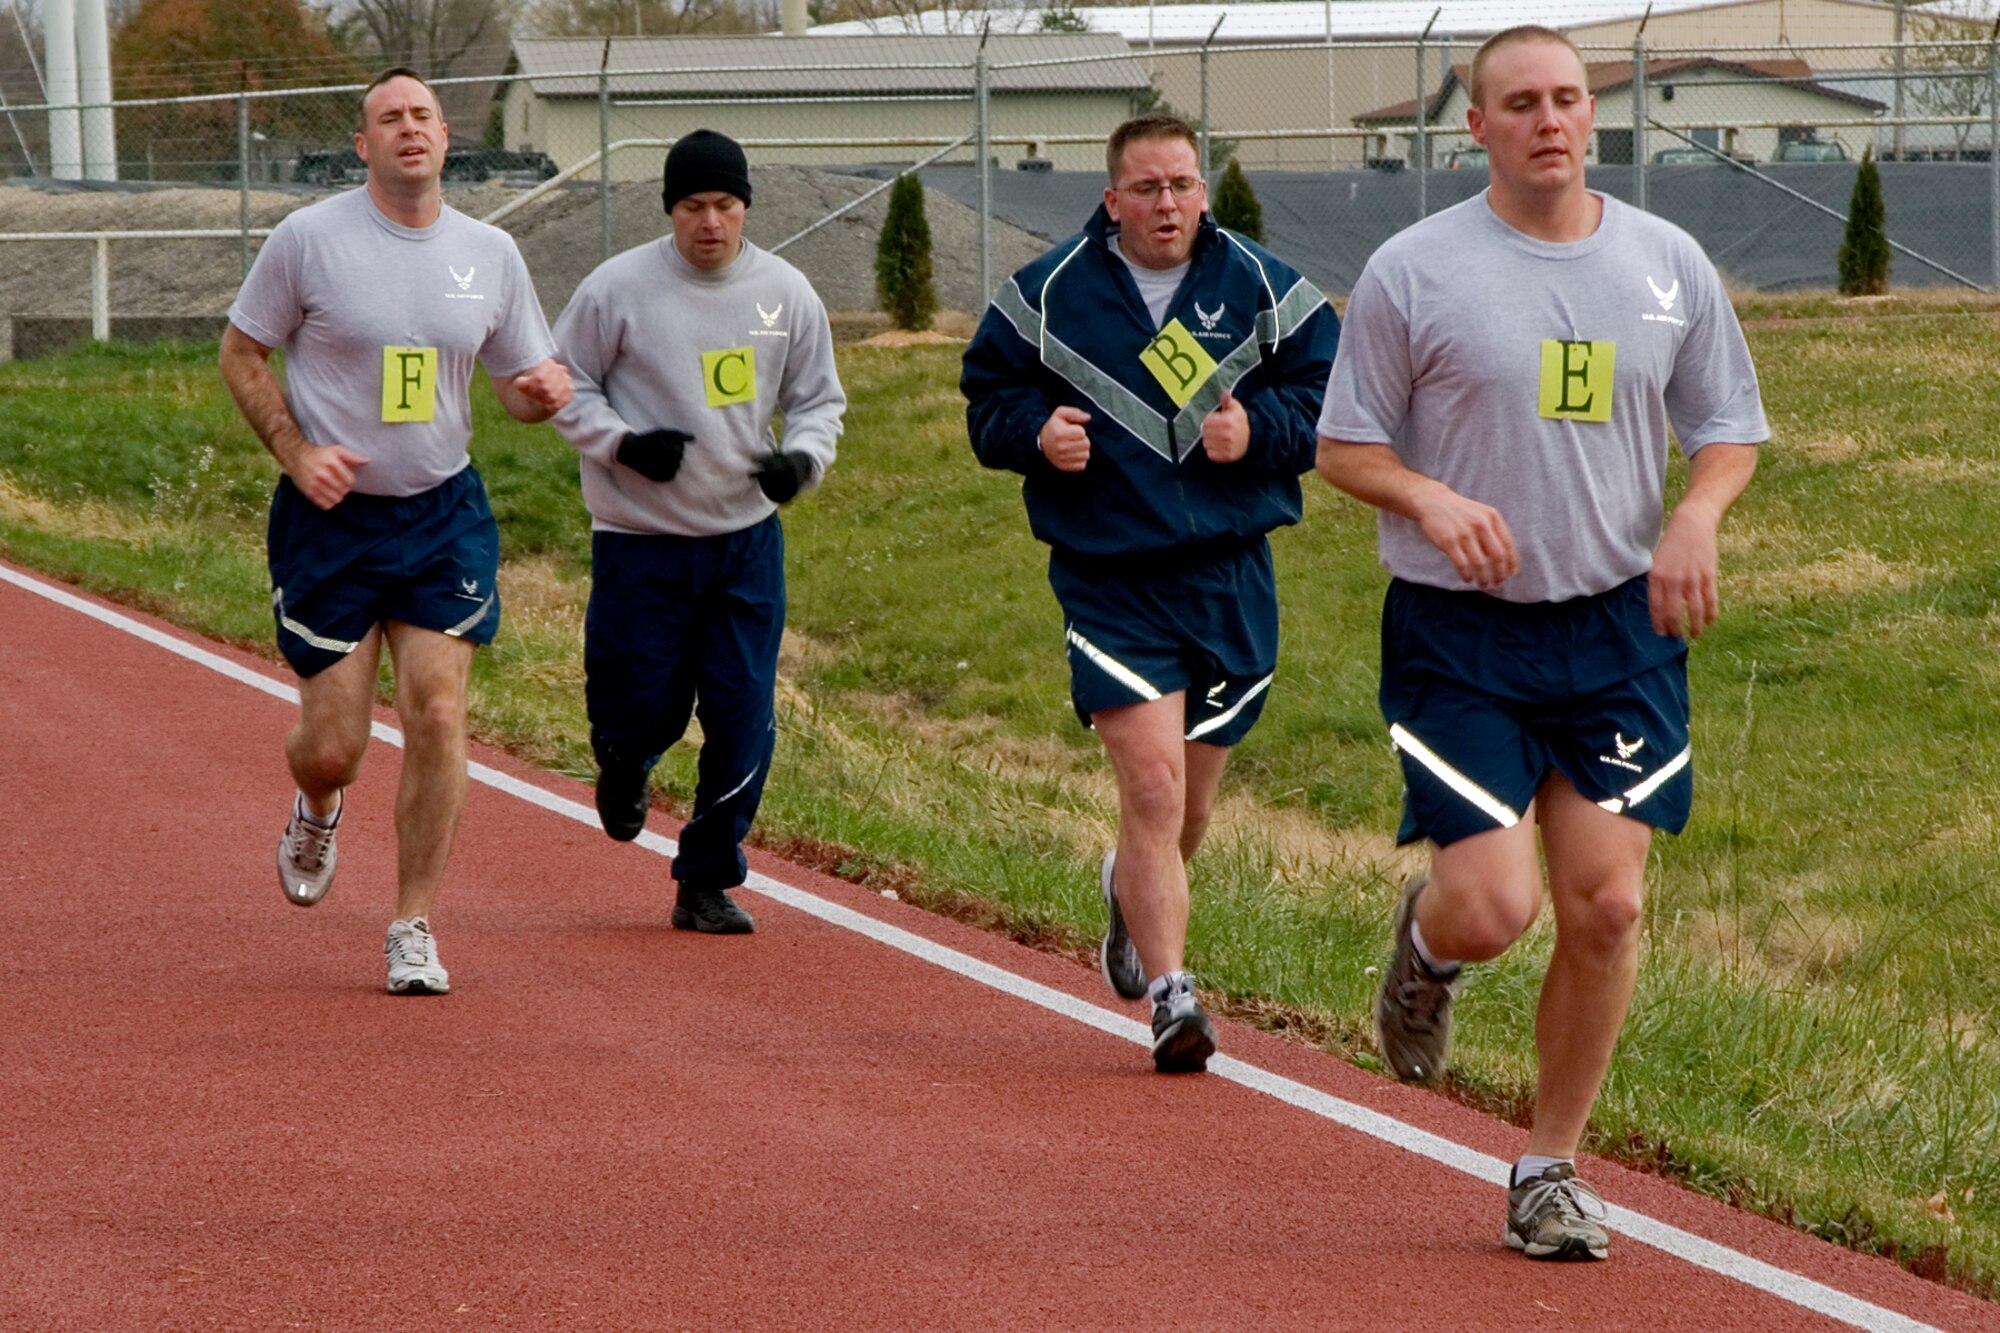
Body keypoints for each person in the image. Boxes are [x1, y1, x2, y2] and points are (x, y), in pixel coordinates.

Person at [1316, 26, 1766, 1259]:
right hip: (1460, 636)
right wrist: (1430, 500)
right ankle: (1425, 945)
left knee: (1608, 904)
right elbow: (1344, 447)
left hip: (1616, 626)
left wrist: (1694, 512)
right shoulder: (1416, 271)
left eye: (1568, 98)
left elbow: (1726, 422)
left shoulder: (1664, 263)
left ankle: (1547, 1167)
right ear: (1476, 128)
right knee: (1492, 904)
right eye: (1519, 104)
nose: (1549, 121)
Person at [962, 115, 1339, 1073]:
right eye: (1146, 188)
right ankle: (1175, 997)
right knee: (1153, 785)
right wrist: (1035, 436)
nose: (1165, 204)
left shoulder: (1260, 286)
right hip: (1110, 575)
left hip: (1228, 576)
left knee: (1186, 814)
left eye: (1180, 185)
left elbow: (1335, 396)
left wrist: (1257, 430)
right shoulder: (1047, 293)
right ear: (1112, 199)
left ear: (1202, 192)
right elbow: (987, 400)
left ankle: (1129, 892)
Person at [219, 67, 572, 994]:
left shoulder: (490, 254)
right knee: (336, 741)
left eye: (422, 115)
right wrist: (297, 453)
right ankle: (317, 800)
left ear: (446, 137)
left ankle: (412, 923)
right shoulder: (309, 240)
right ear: (364, 144)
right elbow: (242, 351)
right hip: (331, 520)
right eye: (389, 118)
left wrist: (535, 398)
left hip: (442, 512)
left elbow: (512, 379)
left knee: (440, 712)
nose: (409, 129)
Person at [551, 129, 845, 935]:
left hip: (744, 540)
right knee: (643, 706)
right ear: (670, 210)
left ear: (745, 207)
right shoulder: (618, 289)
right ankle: (624, 758)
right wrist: (620, 443)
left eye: (723, 205)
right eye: (692, 206)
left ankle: (707, 877)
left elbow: (820, 400)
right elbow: (560, 380)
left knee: (743, 711)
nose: (709, 222)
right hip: (639, 538)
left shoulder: (785, 293)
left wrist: (801, 462)